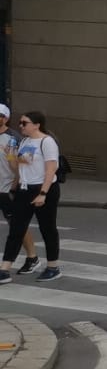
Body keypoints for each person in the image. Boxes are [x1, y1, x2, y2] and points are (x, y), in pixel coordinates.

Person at [0, 110, 61, 282]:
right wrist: (10, 155)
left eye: (24, 123)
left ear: (36, 125)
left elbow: (51, 169)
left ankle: (53, 266)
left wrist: (43, 193)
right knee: (16, 229)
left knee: (47, 228)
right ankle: (5, 269)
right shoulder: (25, 141)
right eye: (20, 122)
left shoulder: (47, 142)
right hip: (24, 189)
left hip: (43, 189)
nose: (20, 126)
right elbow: (18, 168)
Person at [0, 106, 38, 276]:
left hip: (6, 188)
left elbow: (19, 166)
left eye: (0, 116)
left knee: (16, 226)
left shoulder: (13, 139)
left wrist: (15, 187)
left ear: (6, 118)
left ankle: (32, 257)